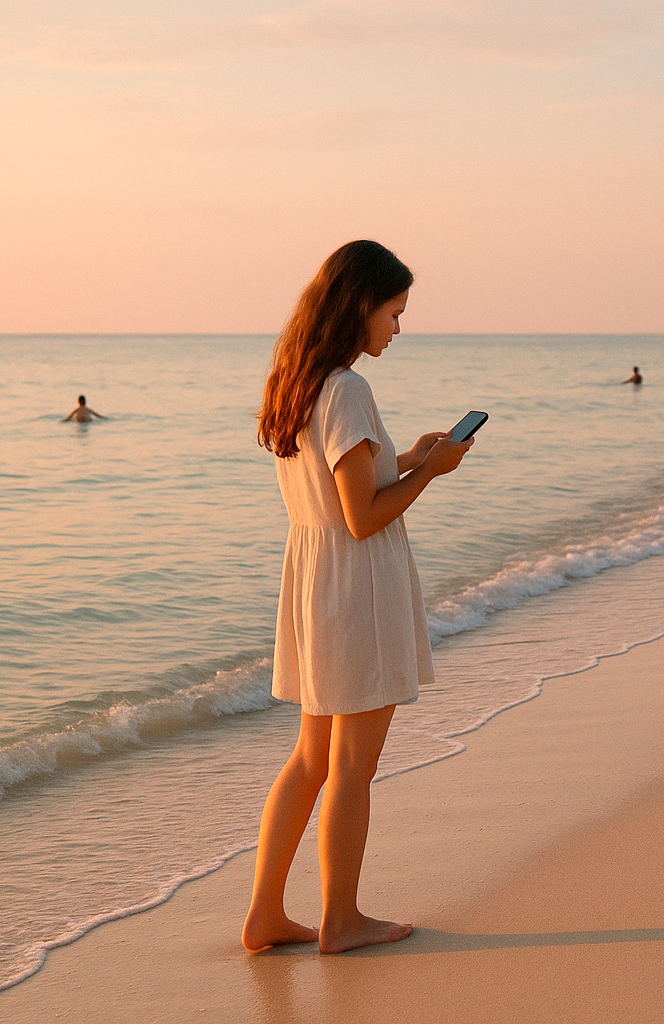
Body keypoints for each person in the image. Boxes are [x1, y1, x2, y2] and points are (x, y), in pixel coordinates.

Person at [244, 240, 472, 955]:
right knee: (350, 768)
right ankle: (340, 920)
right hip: (356, 589)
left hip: (317, 584)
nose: (398, 329)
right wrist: (433, 472)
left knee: (312, 759)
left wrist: (406, 457)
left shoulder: (299, 381)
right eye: (394, 313)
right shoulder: (348, 389)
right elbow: (363, 516)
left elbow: (346, 486)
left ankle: (265, 916)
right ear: (361, 306)